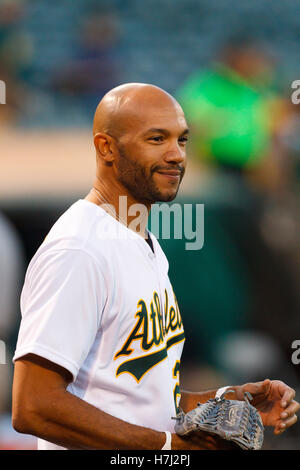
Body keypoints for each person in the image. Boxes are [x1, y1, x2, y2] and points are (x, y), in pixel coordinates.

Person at [11, 83, 299, 450]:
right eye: (156, 139)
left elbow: (144, 396)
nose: (176, 154)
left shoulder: (142, 242)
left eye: (182, 140)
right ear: (106, 148)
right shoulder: (79, 249)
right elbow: (33, 405)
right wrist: (167, 446)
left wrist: (229, 398)